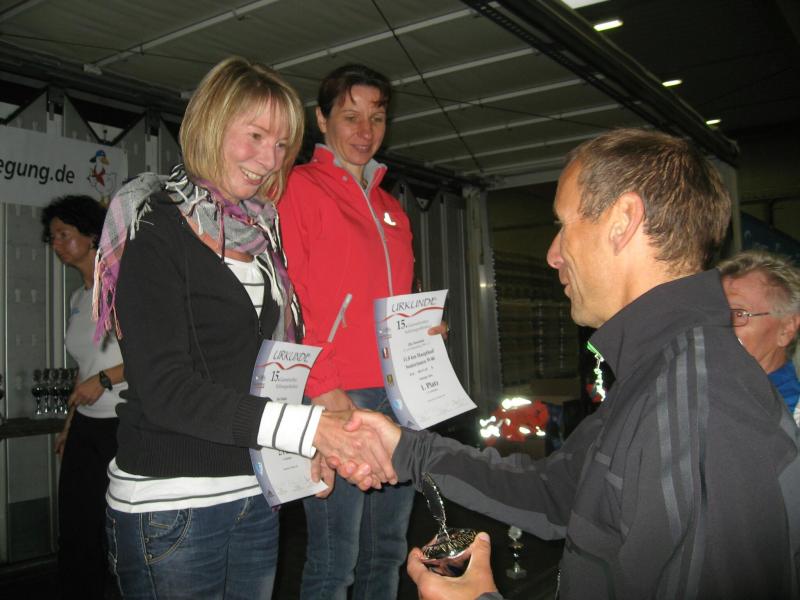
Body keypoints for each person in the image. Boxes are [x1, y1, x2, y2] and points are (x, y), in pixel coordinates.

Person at [336, 128, 800, 599]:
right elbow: (557, 493)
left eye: (564, 224)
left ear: (623, 221)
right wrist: (406, 450)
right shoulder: (658, 374)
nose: (553, 254)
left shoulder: (697, 406)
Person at [94, 57, 395, 600]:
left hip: (256, 492)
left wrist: (306, 449)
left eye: (281, 145)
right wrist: (310, 429)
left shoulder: (261, 236)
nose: (269, 160)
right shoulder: (153, 222)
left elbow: (264, 375)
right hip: (173, 504)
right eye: (255, 136)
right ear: (211, 124)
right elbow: (165, 390)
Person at [279, 63, 427, 600]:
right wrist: (323, 389)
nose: (365, 131)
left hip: (398, 396)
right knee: (334, 560)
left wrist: (424, 334)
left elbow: (395, 298)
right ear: (321, 120)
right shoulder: (298, 187)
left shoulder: (391, 207)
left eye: (377, 118)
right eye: (350, 117)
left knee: (387, 550)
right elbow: (289, 298)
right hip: (339, 393)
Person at [41, 194, 127, 600]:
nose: (56, 243)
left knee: (118, 526)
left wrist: (106, 380)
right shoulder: (79, 299)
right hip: (86, 427)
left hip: (124, 425)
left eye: (64, 234)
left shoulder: (123, 288)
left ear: (92, 235)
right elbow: (83, 370)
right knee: (76, 524)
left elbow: (153, 357)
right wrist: (68, 426)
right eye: (52, 237)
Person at [718, 249, 800, 420]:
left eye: (738, 314)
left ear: (786, 329)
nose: (718, 325)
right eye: (717, 312)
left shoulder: (790, 419)